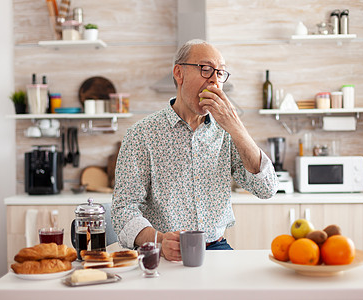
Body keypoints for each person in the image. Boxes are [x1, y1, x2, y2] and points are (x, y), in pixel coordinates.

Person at [111, 39, 278, 261]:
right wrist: (159, 240)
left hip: (217, 249)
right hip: (163, 252)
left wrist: (235, 126)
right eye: (206, 69)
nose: (214, 80)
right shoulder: (141, 134)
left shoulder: (226, 131)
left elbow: (267, 189)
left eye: (220, 73)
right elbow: (123, 209)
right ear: (179, 73)